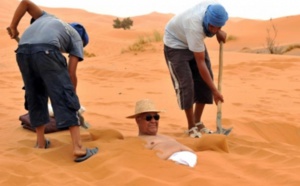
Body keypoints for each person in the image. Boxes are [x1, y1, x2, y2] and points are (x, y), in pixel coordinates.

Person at [7, 0, 98, 162]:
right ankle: (78, 148)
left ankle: (40, 143)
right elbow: (71, 74)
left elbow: (25, 3)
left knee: (35, 94)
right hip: (47, 50)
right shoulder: (77, 38)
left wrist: (14, 26)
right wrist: (72, 98)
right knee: (65, 94)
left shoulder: (48, 18)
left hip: (22, 52)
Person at [163, 0, 228, 138]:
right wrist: (215, 91)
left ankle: (198, 122)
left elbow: (215, 24)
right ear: (206, 20)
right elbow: (200, 63)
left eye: (218, 26)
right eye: (212, 27)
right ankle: (191, 126)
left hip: (192, 40)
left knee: (205, 81)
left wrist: (218, 32)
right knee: (187, 84)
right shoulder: (195, 26)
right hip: (176, 44)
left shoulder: (213, 9)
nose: (214, 29)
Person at [127, 99, 197, 167]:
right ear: (138, 120)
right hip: (173, 164)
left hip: (190, 161)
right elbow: (144, 161)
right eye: (148, 118)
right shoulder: (138, 141)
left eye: (156, 117)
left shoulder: (164, 136)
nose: (153, 121)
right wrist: (175, 150)